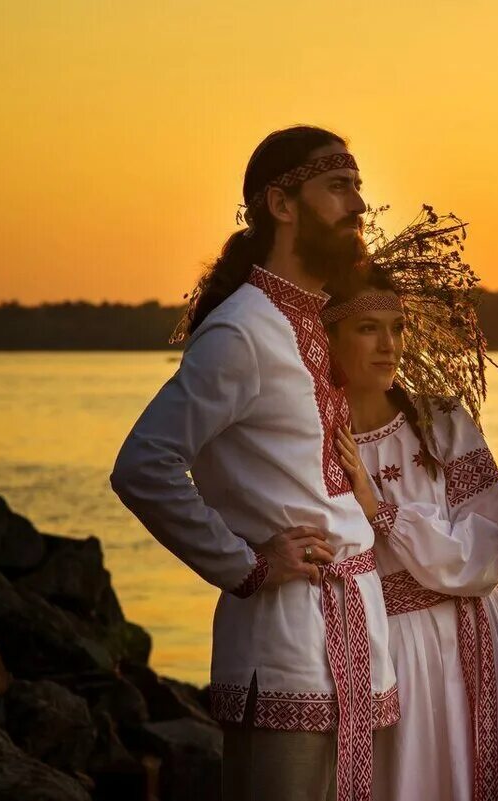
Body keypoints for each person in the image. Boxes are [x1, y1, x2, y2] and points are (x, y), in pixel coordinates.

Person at [110, 125, 397, 801]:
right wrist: (246, 563)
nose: (357, 205)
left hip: (358, 647)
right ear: (282, 204)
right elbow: (143, 464)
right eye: (338, 186)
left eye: (358, 187)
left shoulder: (317, 325)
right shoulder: (242, 330)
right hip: (287, 646)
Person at [322, 243, 498, 801]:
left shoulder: (441, 423)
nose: (389, 346)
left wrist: (382, 512)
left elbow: (481, 553)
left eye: (398, 327)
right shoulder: (311, 441)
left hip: (468, 635)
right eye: (368, 329)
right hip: (380, 648)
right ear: (327, 339)